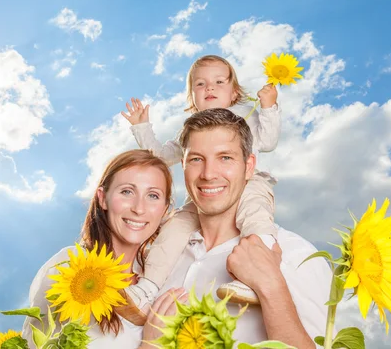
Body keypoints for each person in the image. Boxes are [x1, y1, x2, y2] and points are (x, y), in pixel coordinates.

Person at [140, 108, 332, 348]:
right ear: (183, 165)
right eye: (196, 159)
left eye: (225, 158)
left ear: (249, 166)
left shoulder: (299, 257)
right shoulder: (161, 258)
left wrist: (271, 288)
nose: (209, 174)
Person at [120, 54, 281, 324]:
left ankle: (254, 276)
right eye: (200, 84)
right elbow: (161, 156)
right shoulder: (189, 130)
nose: (210, 88)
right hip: (203, 198)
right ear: (191, 95)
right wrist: (141, 128)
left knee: (256, 217)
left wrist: (269, 107)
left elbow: (267, 140)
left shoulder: (246, 116)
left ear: (234, 93)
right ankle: (146, 289)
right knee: (174, 227)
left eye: (219, 82)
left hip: (249, 183)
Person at [21, 149, 179, 348]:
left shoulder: (159, 285)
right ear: (103, 198)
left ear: (165, 209)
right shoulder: (70, 266)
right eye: (127, 192)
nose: (139, 208)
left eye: (153, 195)